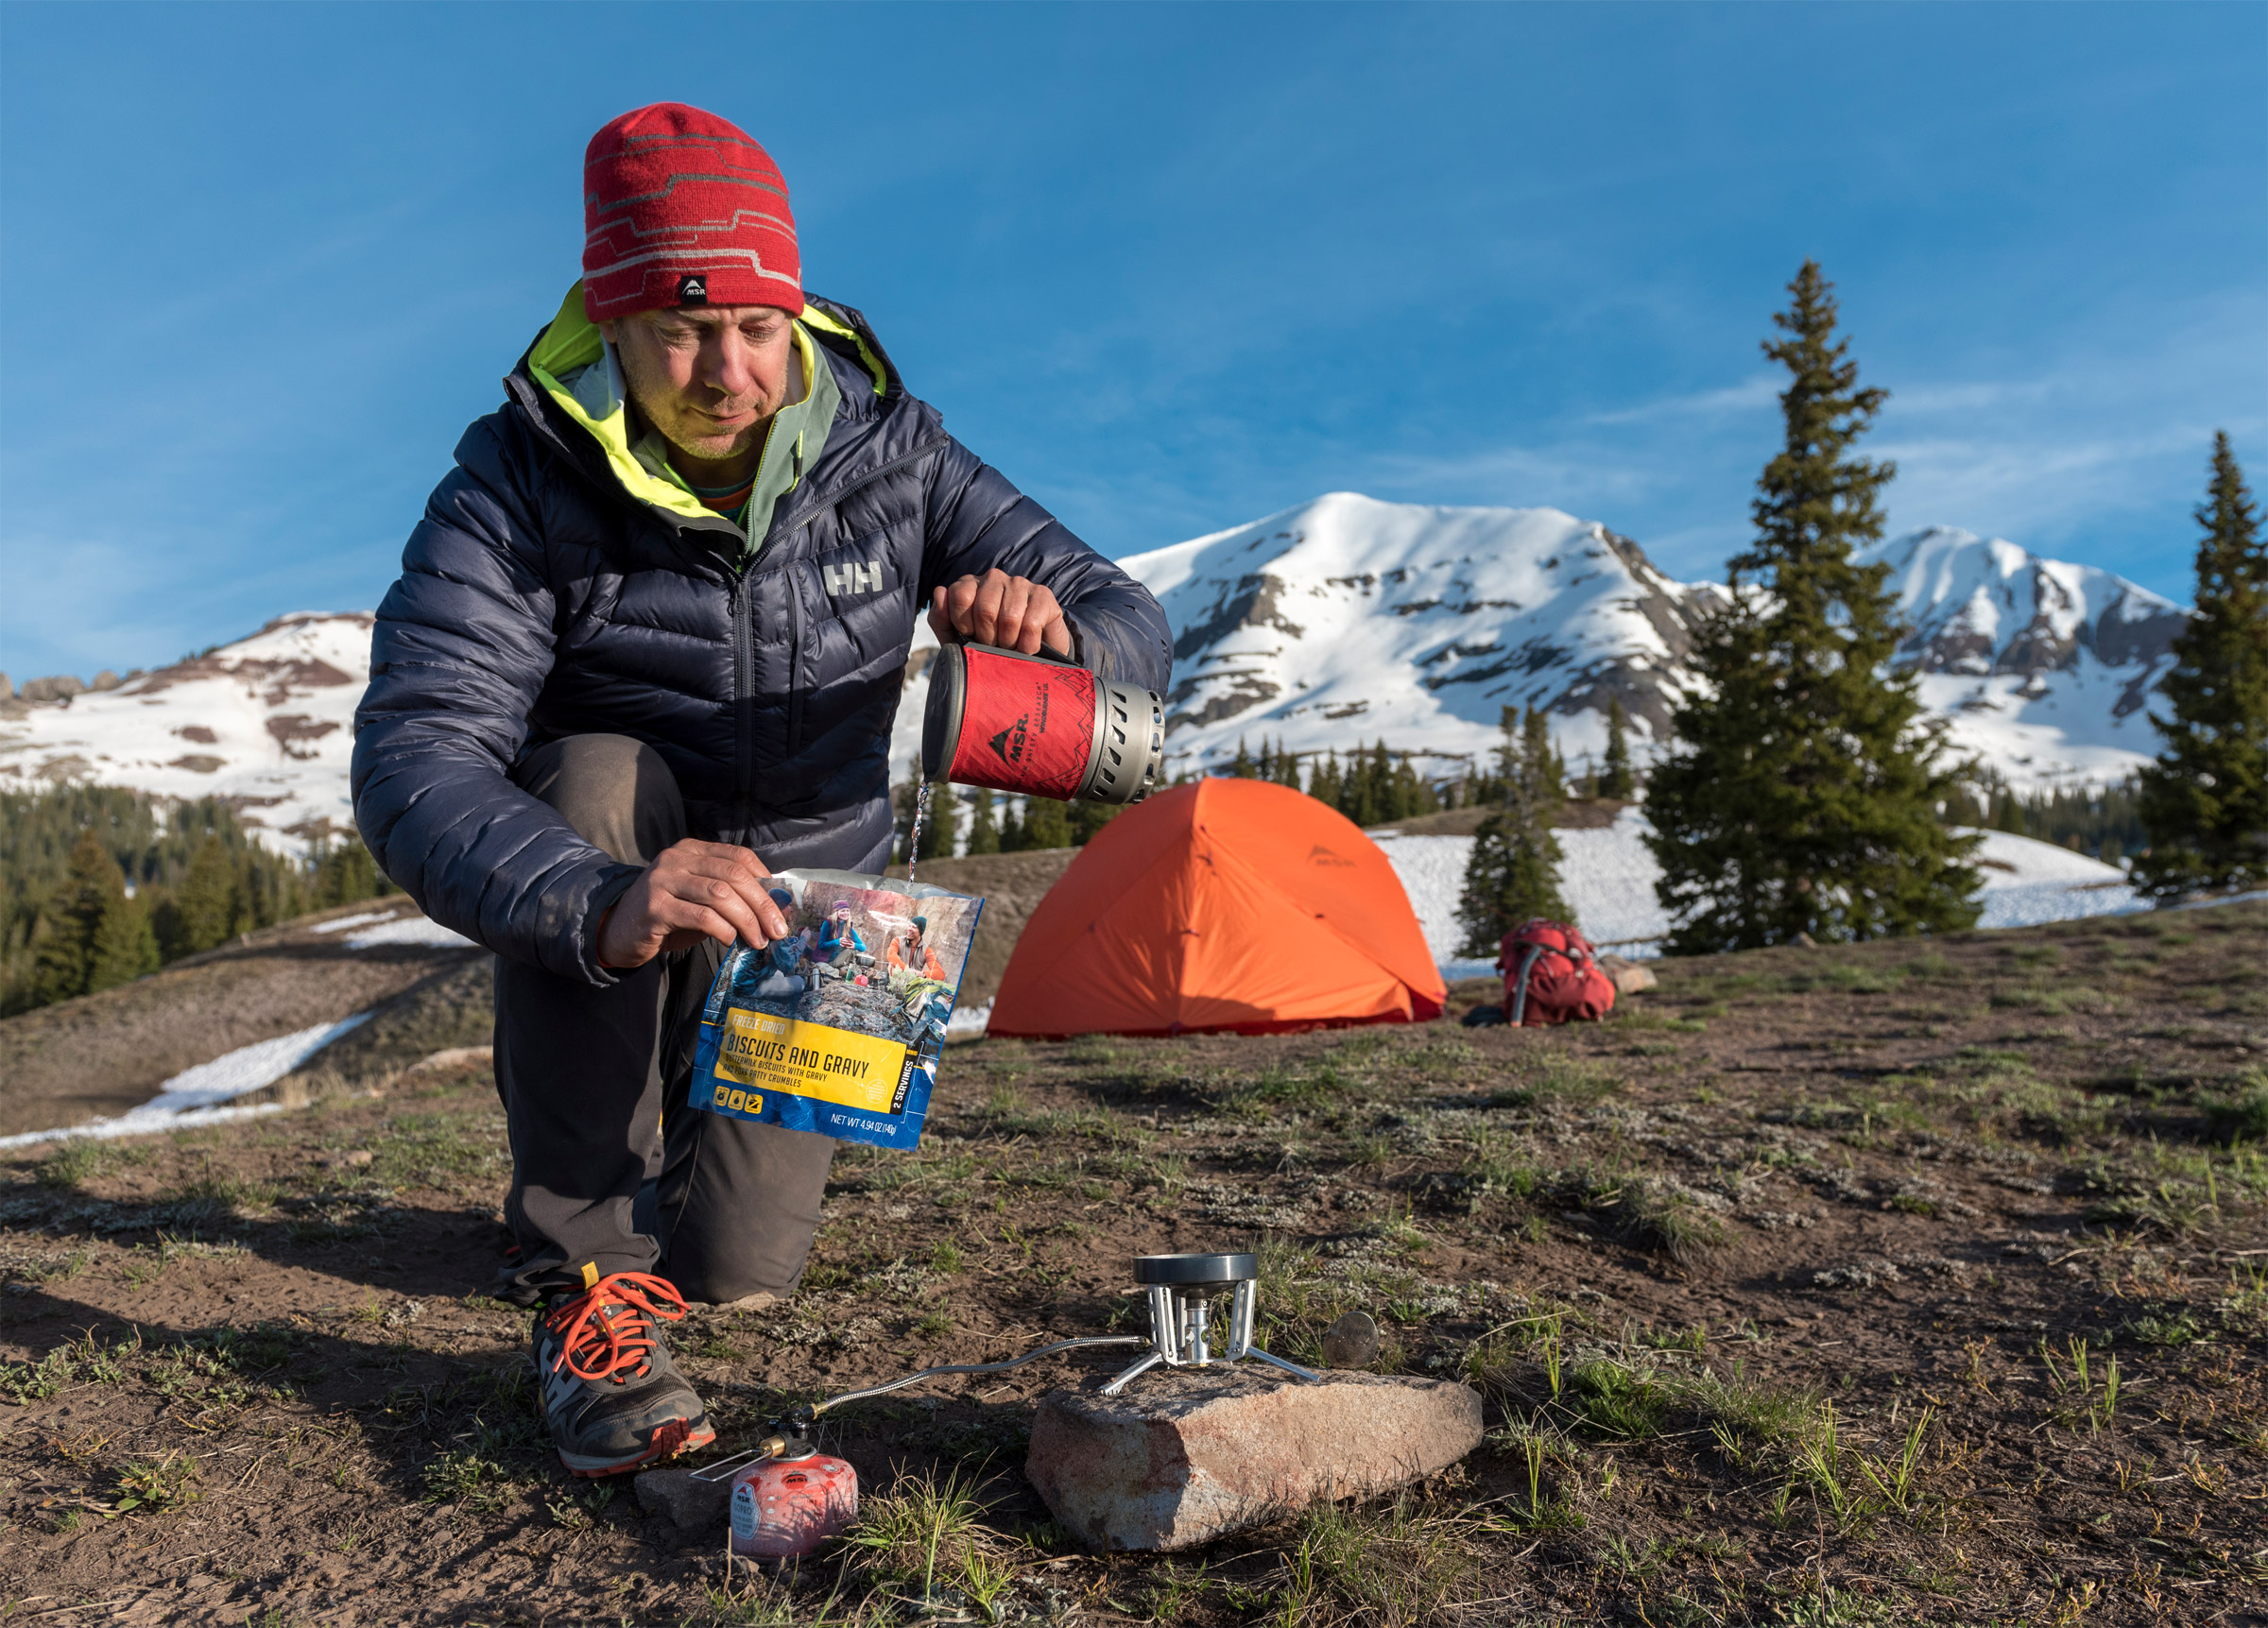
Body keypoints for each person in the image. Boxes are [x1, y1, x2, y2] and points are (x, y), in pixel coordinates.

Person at [352, 103, 1170, 1477]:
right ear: (610, 323)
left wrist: (1056, 637)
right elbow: (415, 752)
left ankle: (657, 1159)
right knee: (594, 778)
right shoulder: (516, 479)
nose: (729, 370)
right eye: (682, 328)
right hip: (626, 875)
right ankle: (581, 1273)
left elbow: (1125, 617)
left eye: (757, 324)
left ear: (794, 310)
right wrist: (595, 896)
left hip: (817, 923)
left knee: (739, 1272)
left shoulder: (894, 450)